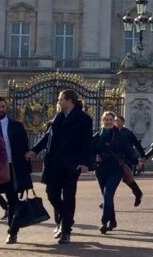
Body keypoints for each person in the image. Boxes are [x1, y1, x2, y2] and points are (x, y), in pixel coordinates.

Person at [24, 89, 94, 244]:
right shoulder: (58, 117)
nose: (59, 101)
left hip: (71, 164)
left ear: (70, 101)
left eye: (61, 99)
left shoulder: (83, 119)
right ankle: (66, 219)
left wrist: (85, 162)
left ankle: (66, 230)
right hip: (53, 163)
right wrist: (34, 150)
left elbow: (87, 142)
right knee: (51, 194)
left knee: (69, 197)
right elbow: (47, 137)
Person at [92, 111, 141, 234]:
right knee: (107, 196)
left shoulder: (120, 136)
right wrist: (95, 158)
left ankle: (104, 221)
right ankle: (112, 221)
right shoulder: (96, 137)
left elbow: (129, 151)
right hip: (101, 170)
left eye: (110, 119)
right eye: (106, 120)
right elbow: (89, 152)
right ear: (102, 121)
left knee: (108, 194)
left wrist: (136, 161)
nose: (108, 122)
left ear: (114, 121)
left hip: (115, 169)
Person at [0, 95, 32, 244]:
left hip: (12, 168)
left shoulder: (17, 125)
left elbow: (24, 148)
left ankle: (12, 232)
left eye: (2, 106)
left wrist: (26, 173)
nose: (0, 109)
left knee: (13, 201)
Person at [113, 114, 145, 207]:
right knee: (112, 180)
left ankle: (138, 193)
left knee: (127, 179)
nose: (116, 123)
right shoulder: (111, 132)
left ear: (123, 122)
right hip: (114, 160)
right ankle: (107, 200)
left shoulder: (128, 133)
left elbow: (137, 144)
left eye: (118, 121)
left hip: (126, 159)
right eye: (115, 121)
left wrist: (143, 156)